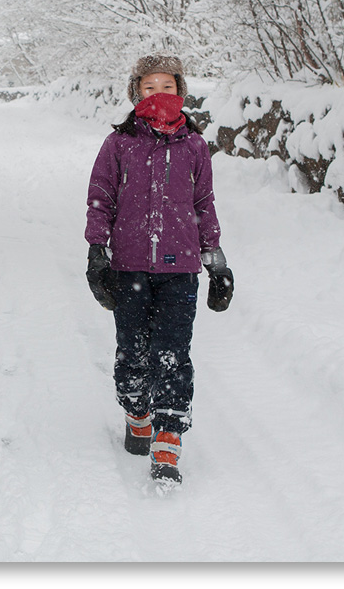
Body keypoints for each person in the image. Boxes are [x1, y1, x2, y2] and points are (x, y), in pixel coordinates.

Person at [84, 54, 234, 487]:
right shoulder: (119, 144)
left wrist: (216, 260)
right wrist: (98, 252)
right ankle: (137, 410)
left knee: (172, 352)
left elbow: (204, 204)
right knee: (133, 350)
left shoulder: (195, 146)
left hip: (180, 269)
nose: (158, 94)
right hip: (129, 264)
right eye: (149, 87)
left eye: (166, 86)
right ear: (137, 92)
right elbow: (101, 198)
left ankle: (168, 434)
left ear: (180, 91)